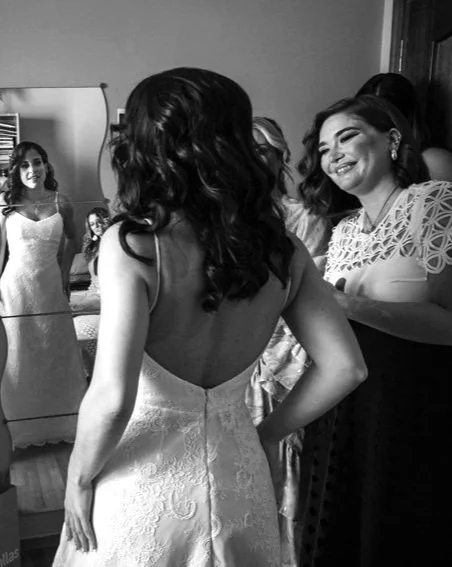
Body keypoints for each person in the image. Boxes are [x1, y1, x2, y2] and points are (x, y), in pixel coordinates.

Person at [52, 67, 366, 566]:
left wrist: (77, 478)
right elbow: (346, 367)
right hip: (239, 477)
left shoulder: (135, 245)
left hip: (144, 487)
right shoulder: (283, 250)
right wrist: (264, 434)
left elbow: (112, 399)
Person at [297, 94, 452, 566]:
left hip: (414, 401)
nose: (334, 155)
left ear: (392, 140)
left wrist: (348, 304)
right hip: (344, 404)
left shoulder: (434, 201)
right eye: (324, 150)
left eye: (347, 137)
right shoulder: (343, 231)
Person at [247, 116, 331, 567]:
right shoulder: (225, 221)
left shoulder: (306, 218)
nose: (254, 158)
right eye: (246, 149)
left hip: (285, 357)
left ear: (281, 157)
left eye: (264, 150)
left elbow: (309, 298)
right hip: (236, 360)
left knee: (284, 461)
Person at [0, 141, 86, 447]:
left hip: (50, 286)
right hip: (15, 286)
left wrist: (64, 273)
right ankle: (20, 428)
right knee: (19, 352)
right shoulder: (5, 202)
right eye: (24, 165)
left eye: (37, 162)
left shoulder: (62, 202)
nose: (32, 169)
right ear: (16, 170)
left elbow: (74, 239)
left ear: (46, 165)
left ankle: (63, 423)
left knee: (54, 351)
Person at [356, 72, 452, 181]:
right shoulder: (363, 160)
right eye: (365, 118)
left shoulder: (433, 161)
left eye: (383, 120)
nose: (371, 128)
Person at [73, 207, 110, 377]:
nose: (97, 226)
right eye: (93, 224)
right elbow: (93, 282)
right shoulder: (94, 248)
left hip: (107, 297)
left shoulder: (116, 245)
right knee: (65, 303)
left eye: (100, 221)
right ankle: (87, 372)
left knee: (70, 308)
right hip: (94, 293)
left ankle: (94, 372)